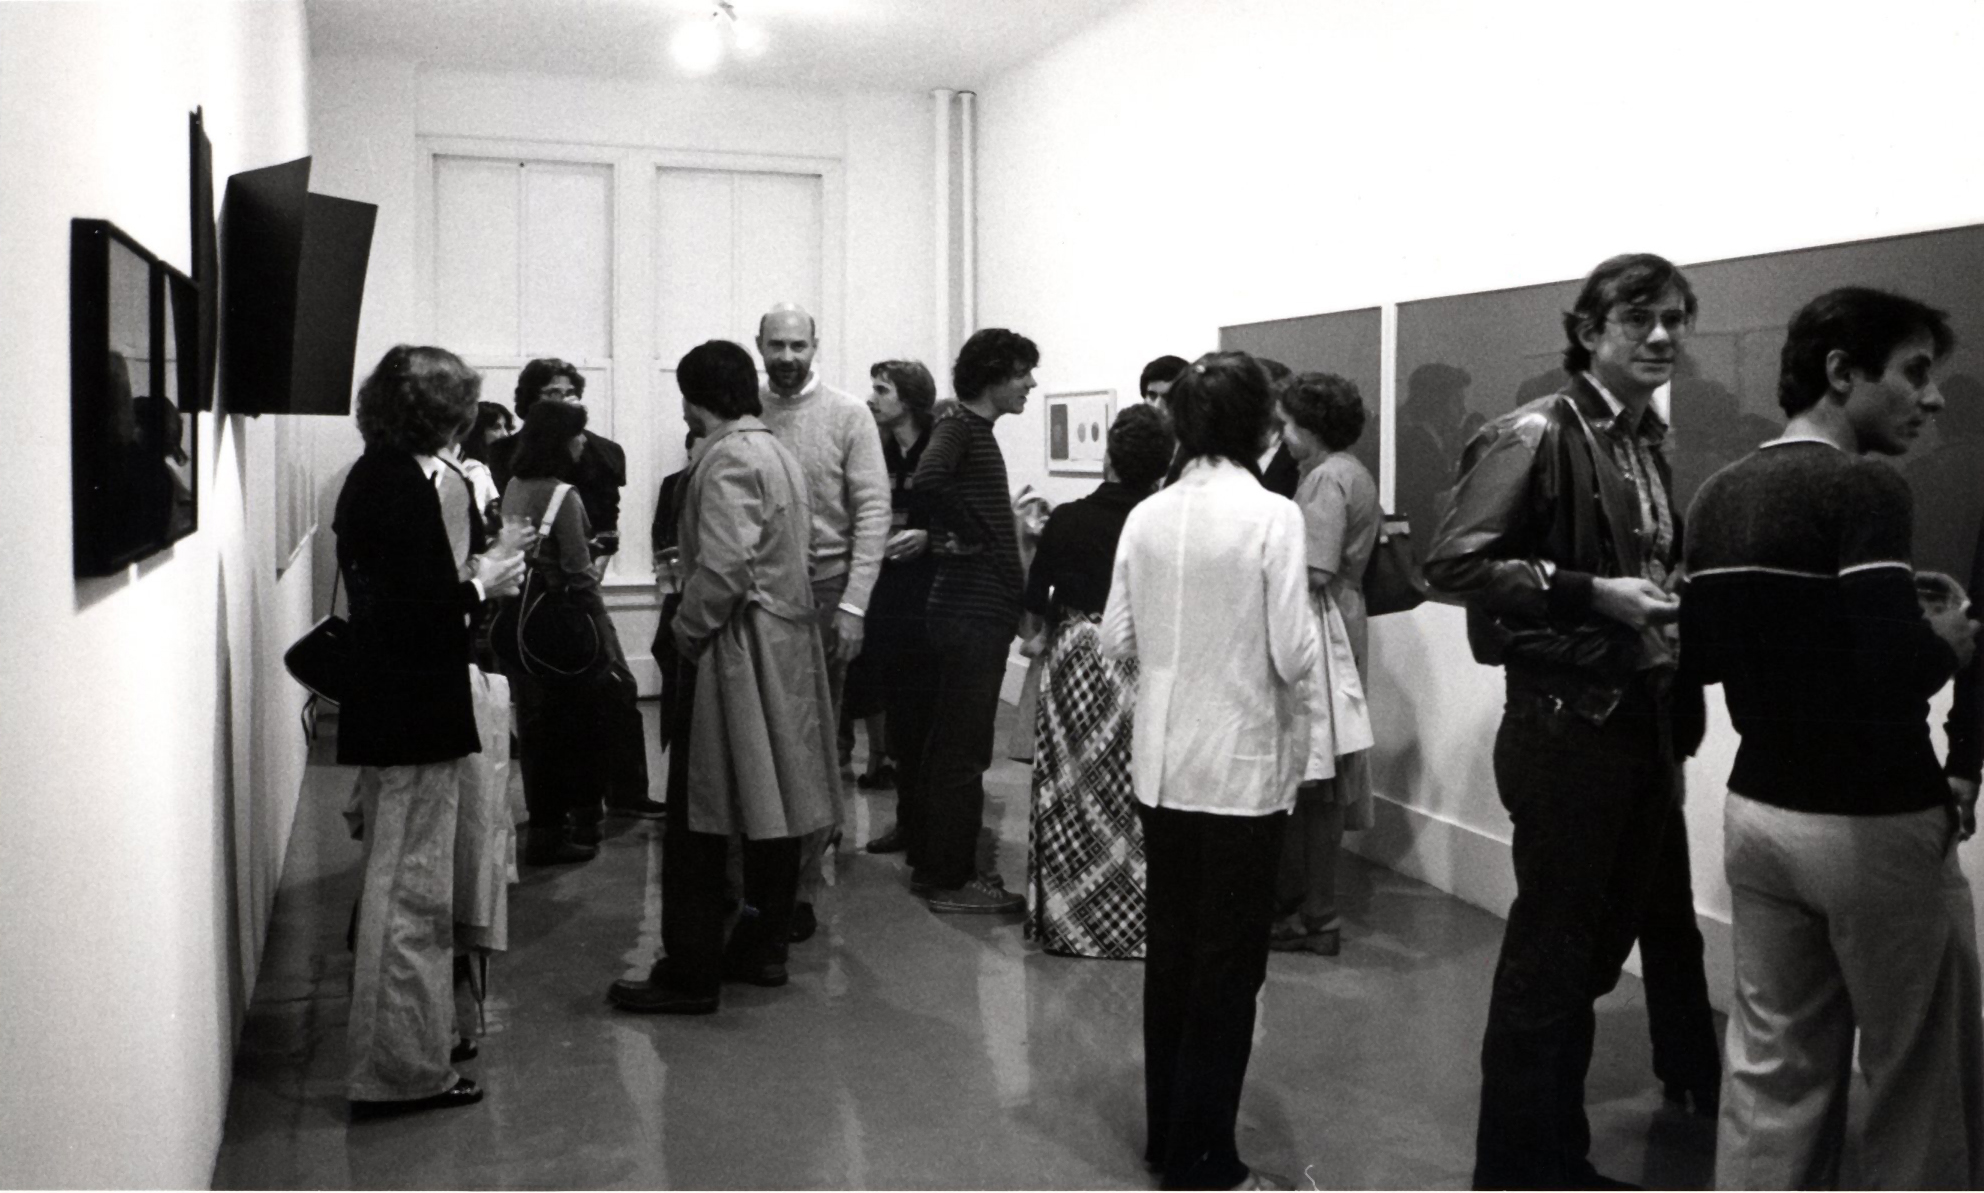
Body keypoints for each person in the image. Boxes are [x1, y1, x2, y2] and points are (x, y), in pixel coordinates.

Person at [1682, 287, 1984, 1188]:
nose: (1931, 398)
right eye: (1915, 372)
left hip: (1758, 812)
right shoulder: (1865, 484)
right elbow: (1895, 668)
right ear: (1842, 373)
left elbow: (1698, 656)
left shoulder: (1717, 490)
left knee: (1773, 1067)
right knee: (1916, 1075)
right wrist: (1952, 641)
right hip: (1872, 822)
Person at [1423, 252, 1704, 1189]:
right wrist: (1591, 593)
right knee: (1550, 960)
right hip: (1563, 727)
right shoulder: (1536, 431)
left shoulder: (1643, 441)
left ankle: (1555, 1155)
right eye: (1638, 318)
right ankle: (1516, 1168)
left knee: (1587, 956)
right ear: (1587, 330)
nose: (1661, 335)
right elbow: (1451, 567)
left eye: (1673, 318)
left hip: (1636, 722)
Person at [1102, 351, 1315, 1190]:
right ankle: (1207, 1159)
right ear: (1261, 423)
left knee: (1174, 954)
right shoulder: (1273, 516)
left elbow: (1117, 637)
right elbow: (1293, 651)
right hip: (1241, 765)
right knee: (1230, 966)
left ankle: (1168, 1137)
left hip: (1160, 761)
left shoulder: (1146, 515)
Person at [609, 340, 839, 1014]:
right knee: (769, 810)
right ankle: (760, 949)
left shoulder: (729, 455)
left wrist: (683, 634)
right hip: (785, 646)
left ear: (690, 396)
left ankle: (692, 969)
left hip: (740, 654)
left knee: (700, 819)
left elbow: (723, 571)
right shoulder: (775, 449)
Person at [333, 344, 525, 1118]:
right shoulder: (392, 485)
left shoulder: (387, 474)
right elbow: (411, 617)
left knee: (413, 886)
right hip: (410, 708)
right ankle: (396, 1071)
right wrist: (485, 582)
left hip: (405, 705)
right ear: (444, 413)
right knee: (408, 892)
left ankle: (416, 1044)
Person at [755, 303, 892, 941]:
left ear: (816, 346)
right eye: (776, 345)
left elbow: (872, 512)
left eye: (797, 345)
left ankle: (803, 885)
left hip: (827, 591)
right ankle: (765, 878)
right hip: (759, 597)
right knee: (765, 741)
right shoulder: (747, 413)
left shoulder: (848, 414)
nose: (787, 357)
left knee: (820, 746)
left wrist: (854, 603)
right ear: (760, 346)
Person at [1024, 402, 1173, 958]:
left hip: (1078, 660)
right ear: (1162, 466)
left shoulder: (1067, 519)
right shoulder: (1161, 520)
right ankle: (1135, 922)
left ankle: (1069, 921)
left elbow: (1037, 599)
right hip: (1144, 656)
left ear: (1108, 456)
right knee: (1136, 789)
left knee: (1070, 789)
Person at [905, 327, 1038, 914]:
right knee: (963, 751)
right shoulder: (961, 427)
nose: (1030, 383)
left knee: (950, 746)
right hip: (969, 613)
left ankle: (936, 863)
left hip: (967, 609)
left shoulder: (969, 429)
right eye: (1020, 373)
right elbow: (929, 479)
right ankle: (951, 879)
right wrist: (975, 533)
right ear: (992, 375)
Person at [492, 359, 657, 826]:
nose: (563, 402)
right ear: (529, 401)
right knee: (550, 709)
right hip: (552, 598)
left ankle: (616, 795)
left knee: (612, 692)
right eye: (551, 394)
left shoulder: (597, 454)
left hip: (551, 595)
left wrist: (592, 563)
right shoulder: (509, 459)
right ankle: (564, 814)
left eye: (569, 393)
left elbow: (608, 524)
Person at [1271, 372, 1379, 958]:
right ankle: (1312, 907)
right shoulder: (1349, 472)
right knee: (1323, 779)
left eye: (1287, 424)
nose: (1283, 436)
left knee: (1317, 779)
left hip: (1322, 627)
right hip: (1340, 618)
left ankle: (1314, 911)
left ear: (1308, 428)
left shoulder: (1325, 479)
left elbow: (1313, 569)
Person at [500, 399, 629, 867]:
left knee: (536, 731)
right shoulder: (563, 495)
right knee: (579, 728)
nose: (582, 442)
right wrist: (604, 639)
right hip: (563, 630)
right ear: (560, 440)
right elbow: (578, 573)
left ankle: (542, 827)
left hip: (520, 624)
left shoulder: (514, 485)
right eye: (576, 434)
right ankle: (575, 824)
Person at [851, 360, 940, 854]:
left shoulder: (940, 448)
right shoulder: (875, 449)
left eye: (882, 390)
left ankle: (933, 828)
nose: (872, 398)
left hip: (929, 598)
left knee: (929, 718)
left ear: (908, 398)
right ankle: (909, 822)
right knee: (900, 716)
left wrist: (931, 537)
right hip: (885, 597)